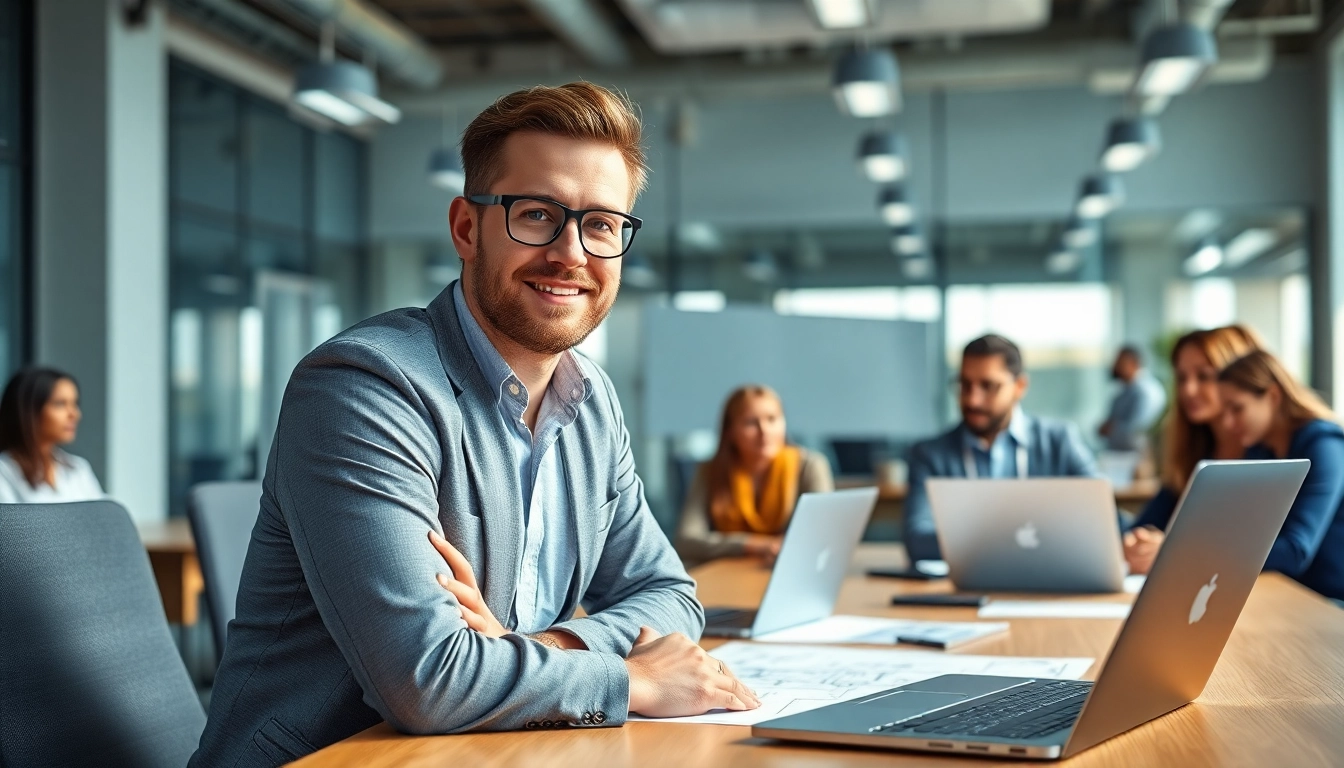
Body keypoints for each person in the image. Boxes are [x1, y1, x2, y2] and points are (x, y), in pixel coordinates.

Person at [191, 83, 758, 767]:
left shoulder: (593, 402)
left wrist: (548, 649)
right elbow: (428, 680)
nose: (571, 253)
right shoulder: (365, 388)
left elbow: (669, 597)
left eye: (601, 224)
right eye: (538, 214)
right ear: (466, 227)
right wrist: (631, 676)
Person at [902, 334, 1099, 563]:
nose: (973, 400)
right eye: (965, 385)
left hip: (1047, 583)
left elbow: (1099, 521)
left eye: (988, 386)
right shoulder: (929, 454)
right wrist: (1019, 542)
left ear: (1020, 386)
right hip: (965, 589)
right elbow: (917, 539)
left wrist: (981, 543)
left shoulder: (1060, 441)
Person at [1123, 325, 1262, 574]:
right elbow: (1146, 525)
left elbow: (1282, 549)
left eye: (1204, 376)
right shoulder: (1193, 456)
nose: (1188, 390)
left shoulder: (1272, 454)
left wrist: (1174, 552)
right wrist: (1138, 545)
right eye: (1181, 378)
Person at [1219, 351, 1344, 600]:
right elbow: (1242, 532)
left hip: (1329, 603)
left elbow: (1296, 551)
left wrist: (1205, 556)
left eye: (1237, 409)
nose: (1228, 423)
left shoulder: (1324, 445)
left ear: (1273, 396)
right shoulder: (1261, 451)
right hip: (1287, 593)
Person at [675, 385, 834, 564]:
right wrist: (751, 545)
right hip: (725, 574)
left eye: (772, 419)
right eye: (750, 422)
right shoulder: (710, 470)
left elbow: (823, 536)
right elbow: (687, 541)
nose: (764, 431)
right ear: (730, 431)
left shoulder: (809, 466)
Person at [0, 367, 103, 504]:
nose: (75, 414)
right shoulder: (5, 472)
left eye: (75, 404)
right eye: (60, 404)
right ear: (29, 411)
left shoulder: (77, 468)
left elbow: (104, 519)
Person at [1099, 345, 1167, 452]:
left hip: (1133, 458)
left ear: (1133, 364)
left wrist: (1110, 429)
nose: (1115, 366)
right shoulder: (1126, 390)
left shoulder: (1145, 392)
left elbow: (1136, 432)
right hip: (1119, 456)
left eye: (1120, 362)